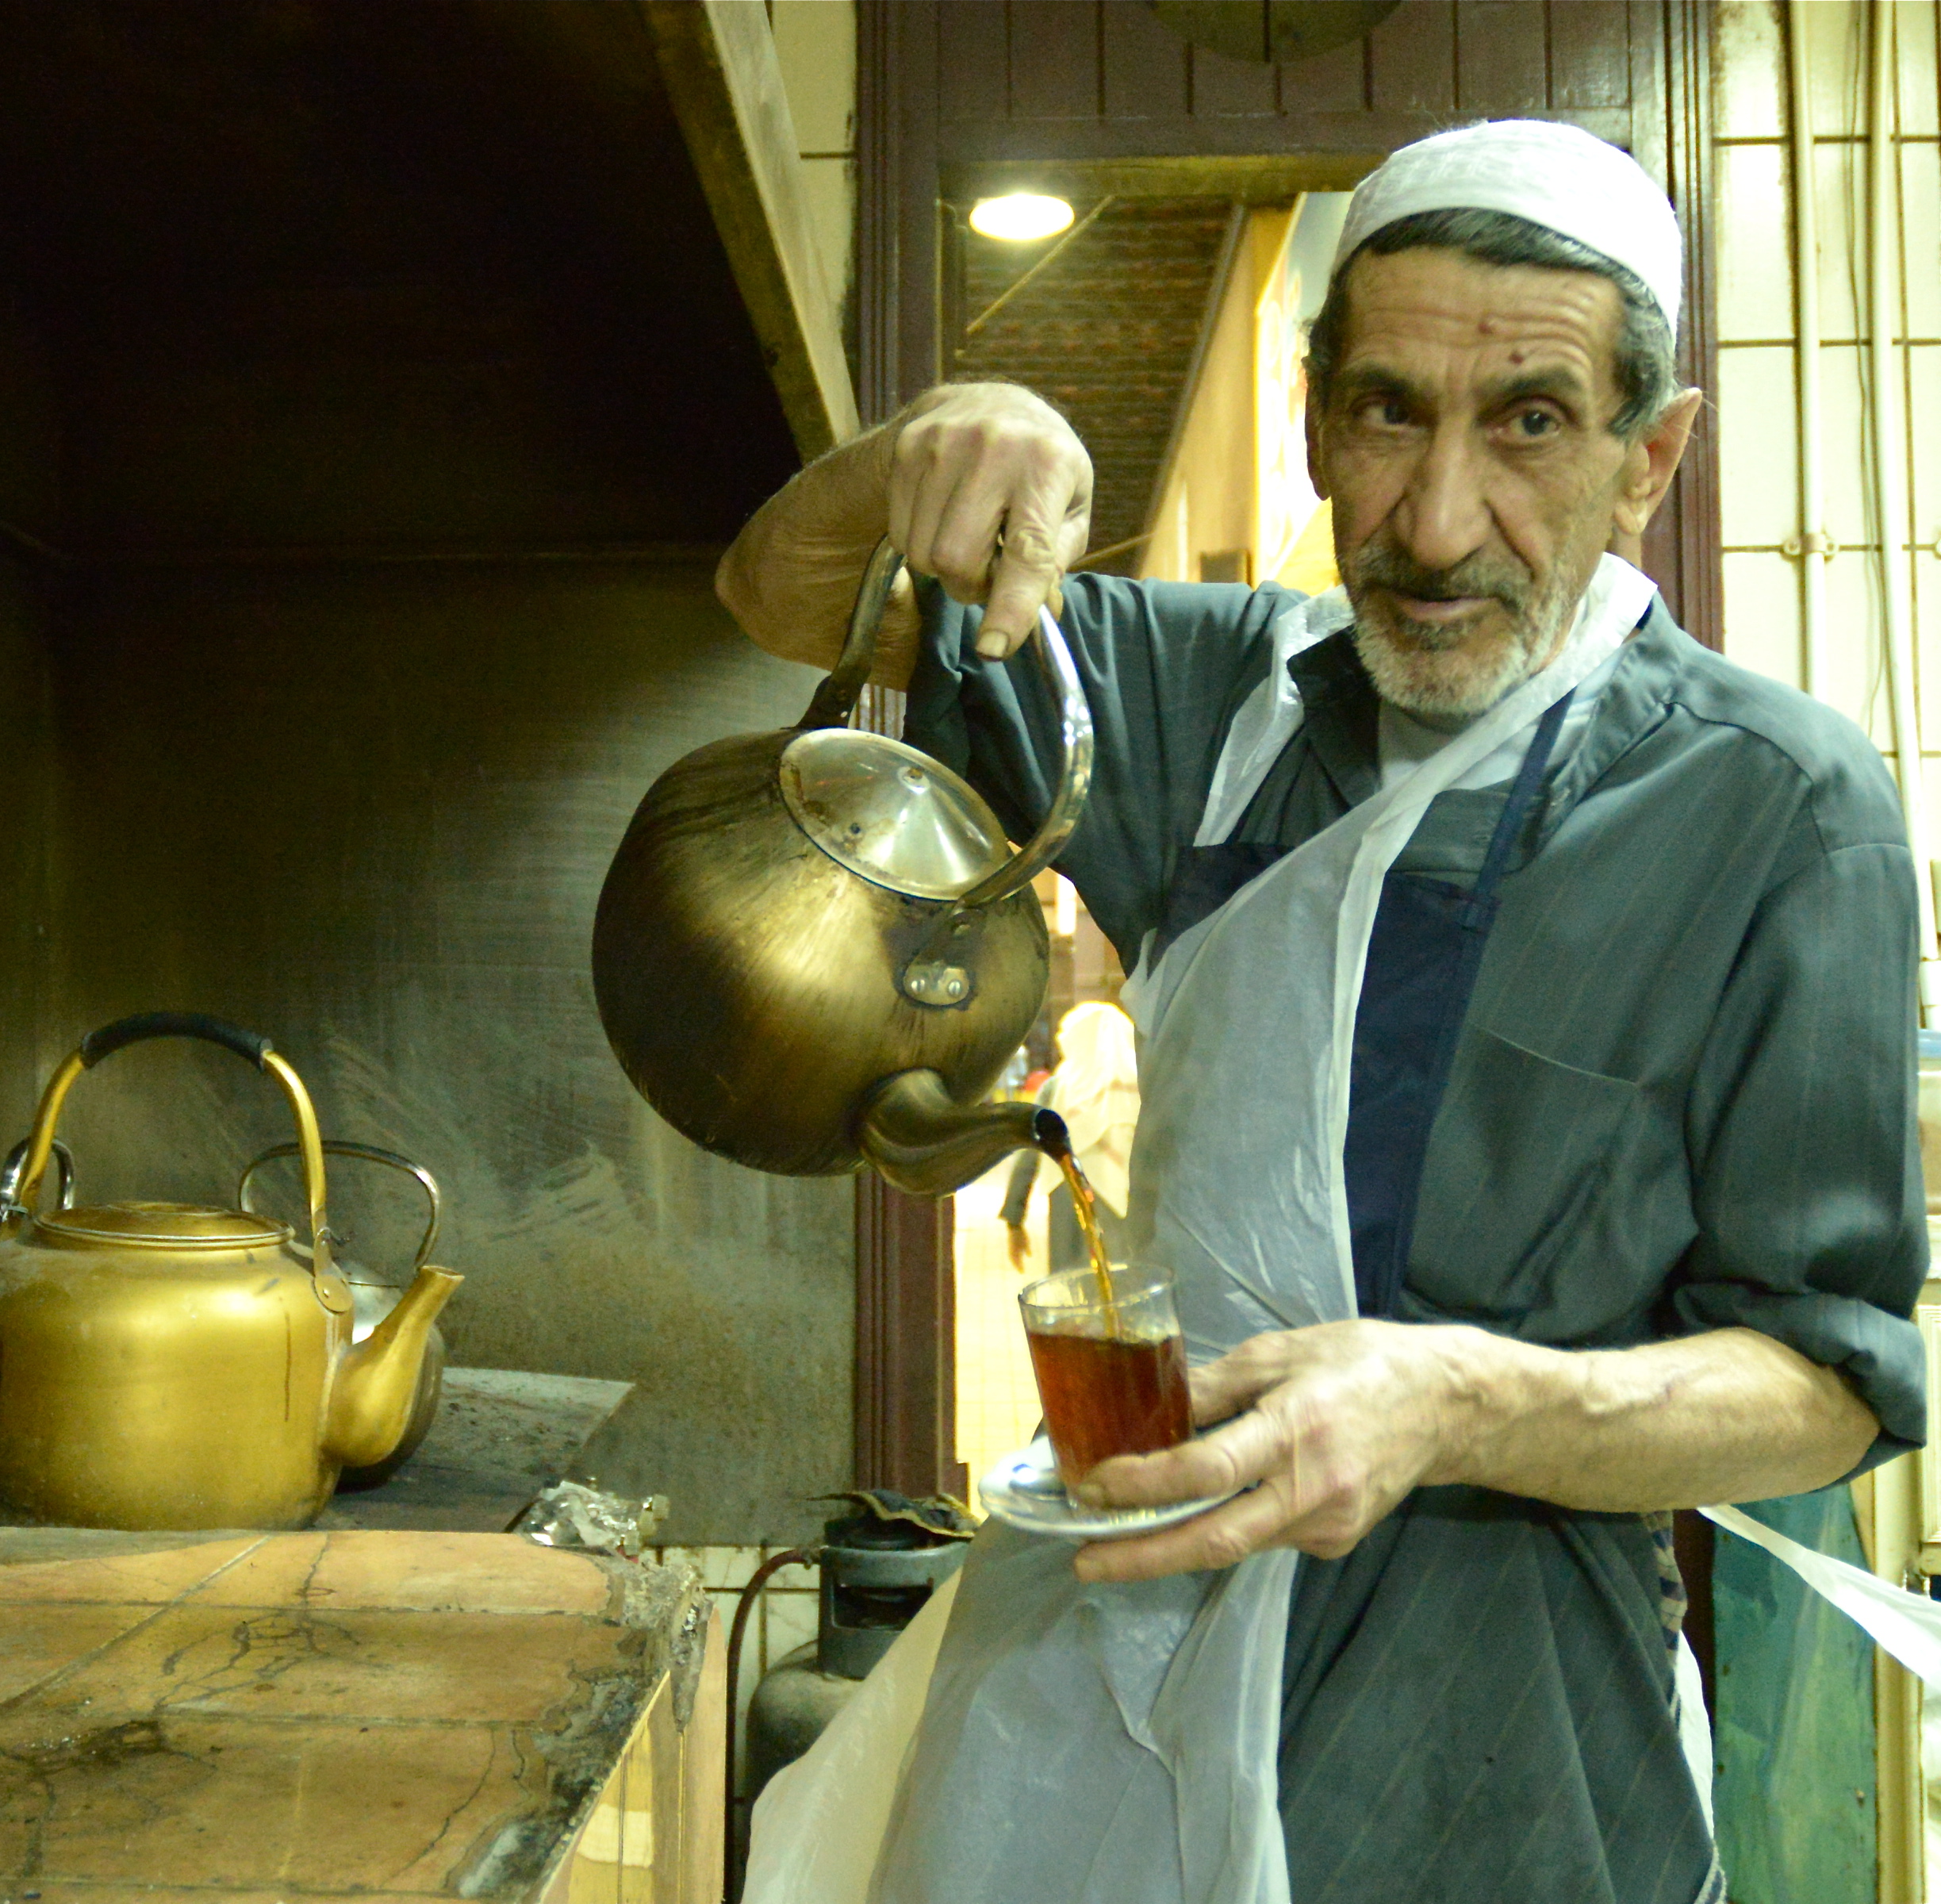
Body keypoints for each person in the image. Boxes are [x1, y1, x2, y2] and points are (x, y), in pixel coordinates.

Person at [719, 121, 1927, 1904]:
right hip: (1110, 1665)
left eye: (1527, 422)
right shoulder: (1211, 700)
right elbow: (775, 594)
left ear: (1646, 458)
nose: (1434, 525)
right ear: (1310, 420)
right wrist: (927, 449)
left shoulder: (1774, 810)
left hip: (1498, 1756)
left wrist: (1456, 1402)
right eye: (1383, 415)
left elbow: (1824, 1379)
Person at [1001, 999, 1139, 1274]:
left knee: (1071, 1283)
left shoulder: (1057, 1089)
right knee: (1125, 1282)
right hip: (1131, 1207)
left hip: (1070, 1203)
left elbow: (1029, 1152)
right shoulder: (1139, 1087)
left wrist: (1014, 1219)